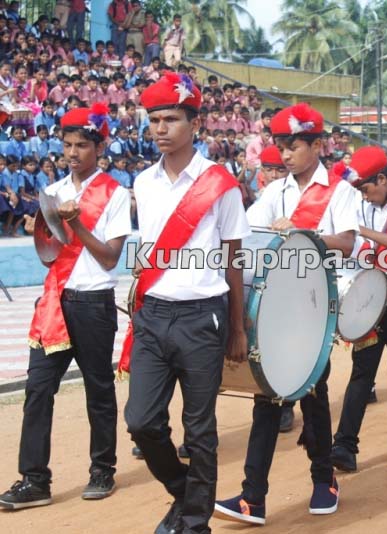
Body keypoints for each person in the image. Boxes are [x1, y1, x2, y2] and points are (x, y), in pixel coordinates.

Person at [214, 103, 357, 526]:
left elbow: (347, 243)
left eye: (293, 146)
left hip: (314, 309)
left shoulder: (341, 191)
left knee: (312, 397)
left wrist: (298, 236)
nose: (285, 154)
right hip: (276, 306)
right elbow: (250, 235)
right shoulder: (274, 191)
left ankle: (321, 478)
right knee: (268, 395)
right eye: (280, 146)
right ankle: (253, 496)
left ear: (317, 145)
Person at [121, 72, 250, 534]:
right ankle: (184, 492)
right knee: (141, 422)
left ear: (194, 124)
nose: (160, 128)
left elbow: (234, 261)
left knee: (199, 430)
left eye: (171, 119)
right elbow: (149, 248)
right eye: (154, 119)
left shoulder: (221, 184)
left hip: (203, 317)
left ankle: (194, 523)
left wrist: (237, 328)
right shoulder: (143, 182)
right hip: (153, 316)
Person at [0, 104, 130, 509]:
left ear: (99, 146)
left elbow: (109, 258)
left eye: (82, 146)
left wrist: (75, 224)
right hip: (55, 301)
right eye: (67, 145)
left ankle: (102, 469)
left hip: (93, 303)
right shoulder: (53, 193)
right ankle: (34, 479)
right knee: (38, 390)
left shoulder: (114, 193)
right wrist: (42, 232)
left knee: (98, 389)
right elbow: (50, 254)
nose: (73, 153)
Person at [330, 146, 387, 474]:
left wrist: (359, 234)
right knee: (362, 370)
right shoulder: (359, 202)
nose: (365, 196)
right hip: (368, 296)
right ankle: (344, 445)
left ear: (382, 179)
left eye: (367, 189)